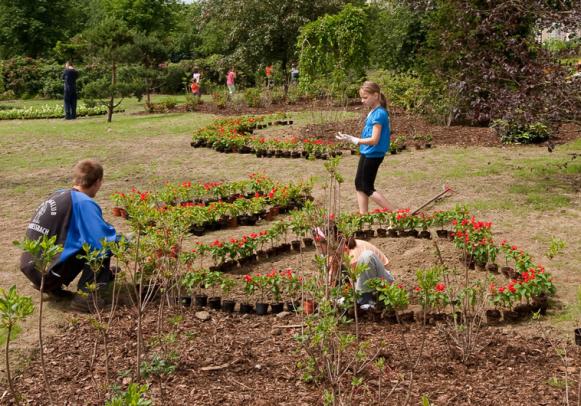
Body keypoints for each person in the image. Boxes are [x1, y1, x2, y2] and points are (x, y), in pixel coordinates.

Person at [19, 159, 120, 311]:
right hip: (47, 274)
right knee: (104, 246)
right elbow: (102, 239)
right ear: (98, 181)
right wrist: (129, 240)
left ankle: (51, 287)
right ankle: (86, 299)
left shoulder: (58, 194)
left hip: (33, 268)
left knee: (77, 240)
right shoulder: (82, 202)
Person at [336, 81, 394, 214]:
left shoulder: (379, 113)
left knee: (367, 187)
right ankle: (363, 216)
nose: (362, 101)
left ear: (375, 95)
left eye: (365, 97)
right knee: (359, 184)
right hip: (367, 152)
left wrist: (354, 140)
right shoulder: (373, 111)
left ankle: (397, 213)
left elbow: (374, 140)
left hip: (373, 154)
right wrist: (350, 138)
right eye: (361, 98)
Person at [313, 227, 394, 309]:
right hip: (361, 287)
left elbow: (356, 280)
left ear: (333, 243)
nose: (318, 246)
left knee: (367, 256)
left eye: (321, 244)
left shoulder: (354, 251)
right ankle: (361, 302)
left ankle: (365, 302)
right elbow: (331, 280)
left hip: (382, 283)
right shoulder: (335, 254)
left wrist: (351, 298)